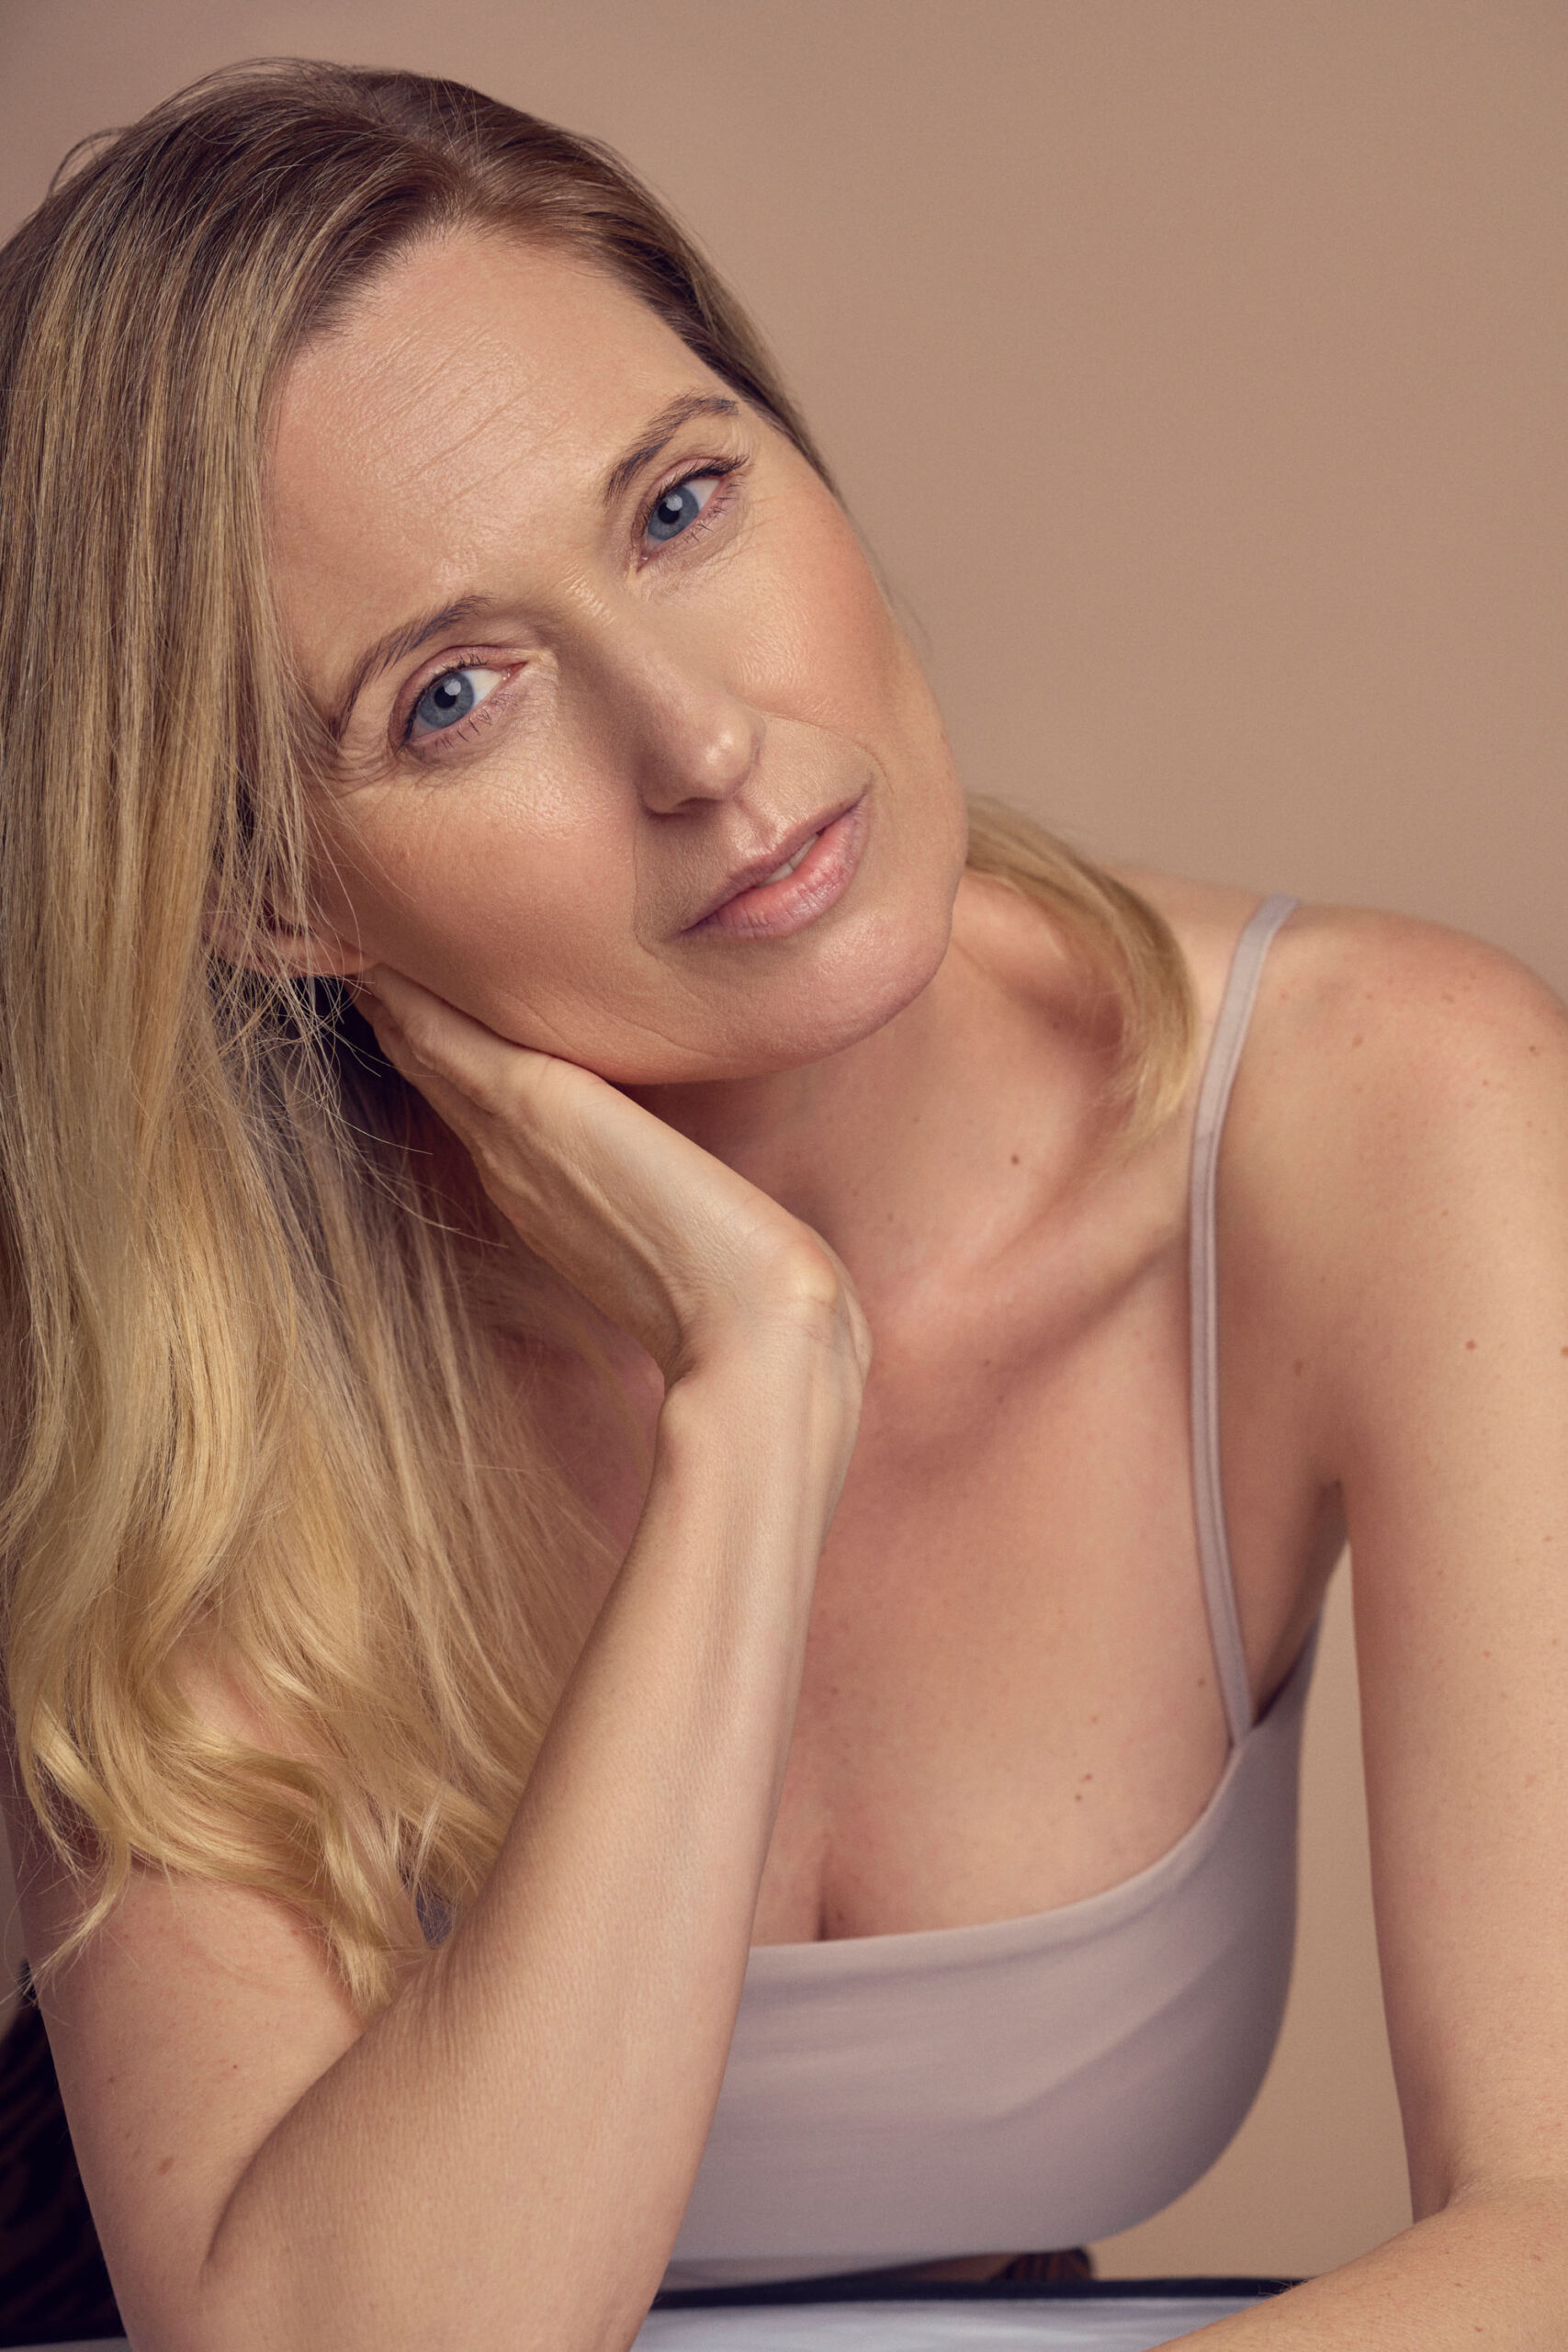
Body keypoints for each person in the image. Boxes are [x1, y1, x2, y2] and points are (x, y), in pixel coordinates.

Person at [0, 55, 1564, 2352]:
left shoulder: (1384, 1109)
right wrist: (756, 1391)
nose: (700, 739)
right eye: (450, 694)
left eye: (676, 506)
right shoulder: (169, 1327)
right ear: (262, 894)